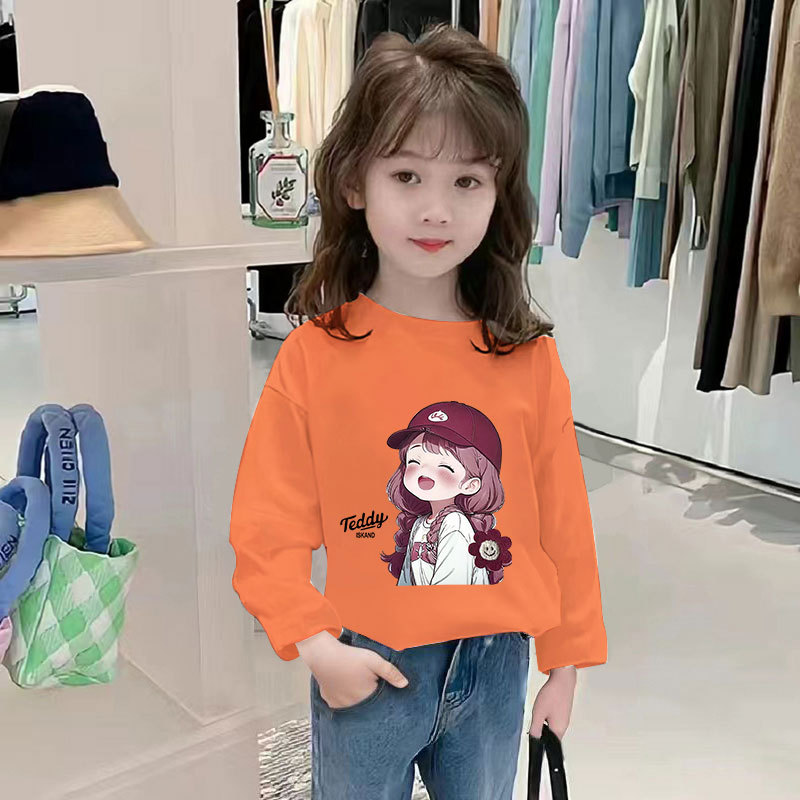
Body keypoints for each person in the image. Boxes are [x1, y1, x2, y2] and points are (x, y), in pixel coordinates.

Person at [229, 22, 607, 799]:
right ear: (354, 182)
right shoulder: (316, 357)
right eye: (407, 175)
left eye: (467, 182)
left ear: (499, 194)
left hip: (497, 665)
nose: (436, 210)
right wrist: (314, 645)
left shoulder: (526, 359)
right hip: (369, 663)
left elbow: (563, 522)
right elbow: (267, 524)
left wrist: (566, 662)